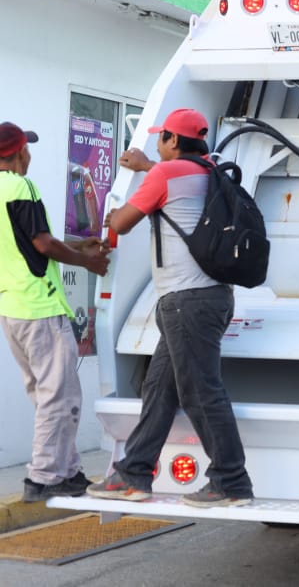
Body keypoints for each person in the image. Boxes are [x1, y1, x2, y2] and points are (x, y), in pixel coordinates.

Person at [86, 109, 253, 508]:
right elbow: (176, 189)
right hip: (207, 298)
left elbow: (122, 223)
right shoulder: (210, 170)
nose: (158, 146)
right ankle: (134, 473)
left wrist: (114, 211)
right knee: (159, 390)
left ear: (173, 141)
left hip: (186, 303)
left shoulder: (165, 174)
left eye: (161, 138)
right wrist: (148, 167)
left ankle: (231, 481)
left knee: (201, 392)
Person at [0, 121, 111, 502]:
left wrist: (79, 247)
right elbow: (42, 244)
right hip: (40, 305)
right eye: (26, 148)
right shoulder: (20, 186)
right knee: (58, 395)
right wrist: (88, 263)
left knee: (48, 393)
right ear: (16, 154)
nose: (29, 154)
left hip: (11, 309)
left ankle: (68, 470)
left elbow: (27, 242)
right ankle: (44, 477)